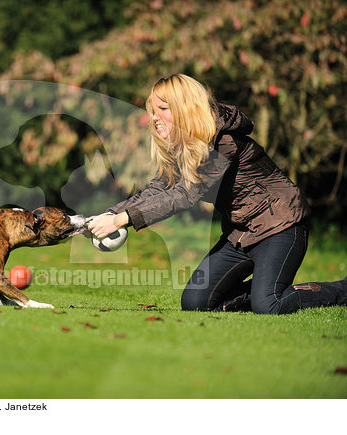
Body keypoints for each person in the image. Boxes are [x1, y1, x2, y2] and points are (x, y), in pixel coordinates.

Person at [87, 73, 347, 314]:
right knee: (195, 302)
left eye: (163, 109)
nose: (155, 117)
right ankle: (264, 290)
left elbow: (184, 195)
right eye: (153, 110)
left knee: (270, 304)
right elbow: (159, 188)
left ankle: (341, 290)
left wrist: (124, 219)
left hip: (281, 227)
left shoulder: (224, 142)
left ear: (185, 109)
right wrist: (113, 212)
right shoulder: (181, 145)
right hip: (240, 235)